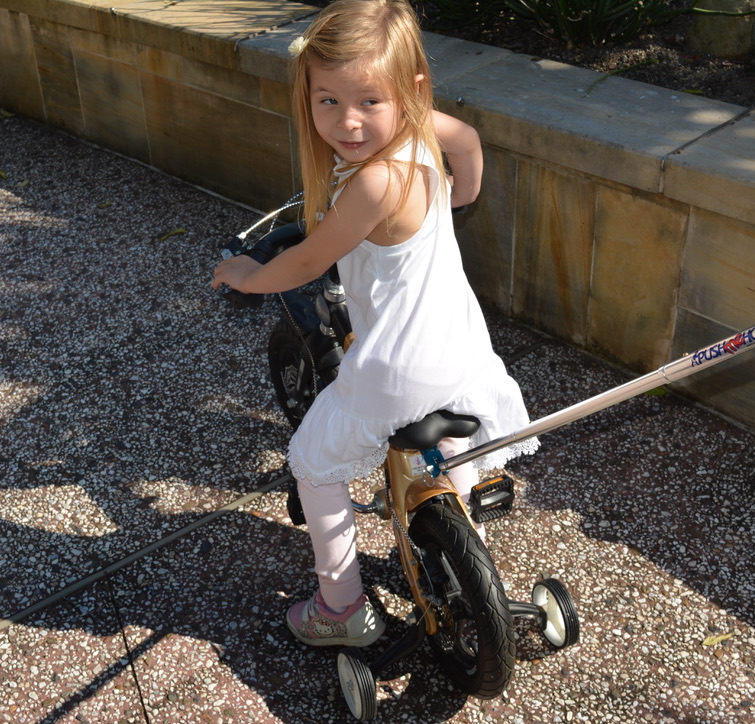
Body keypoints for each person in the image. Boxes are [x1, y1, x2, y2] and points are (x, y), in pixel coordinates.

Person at [211, 0, 538, 648]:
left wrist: (245, 274)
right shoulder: (422, 133)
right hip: (463, 349)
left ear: (409, 91)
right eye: (327, 100)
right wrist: (460, 193)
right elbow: (467, 144)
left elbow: (308, 258)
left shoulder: (372, 184)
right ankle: (458, 510)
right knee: (446, 432)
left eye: (367, 102)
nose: (347, 122)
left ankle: (341, 609)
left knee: (311, 460)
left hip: (396, 370)